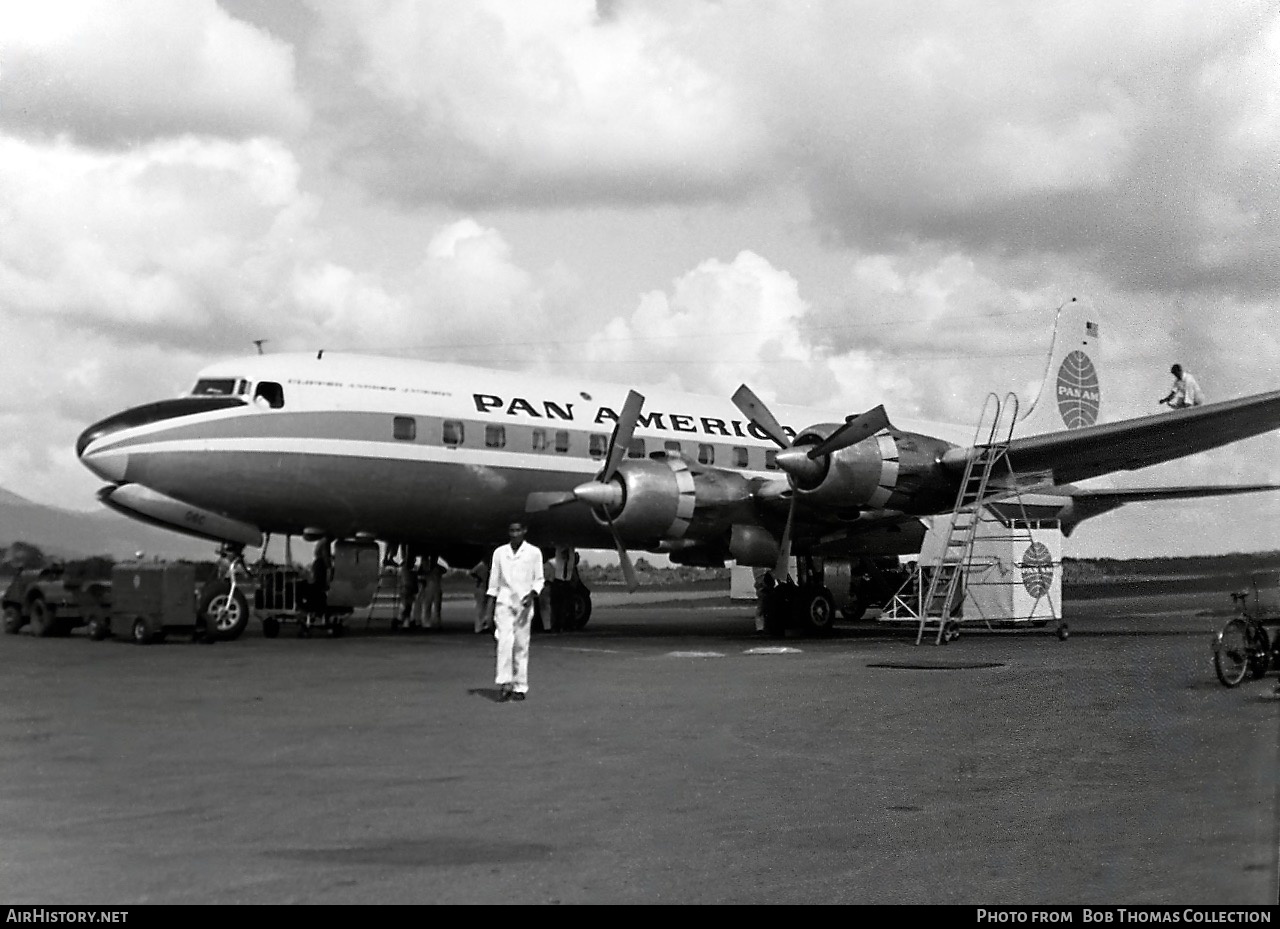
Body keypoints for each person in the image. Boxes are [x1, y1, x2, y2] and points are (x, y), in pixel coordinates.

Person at [485, 519, 544, 702]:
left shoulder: (534, 553)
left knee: (521, 645)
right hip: (504, 602)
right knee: (504, 642)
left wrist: (532, 595)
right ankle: (505, 684)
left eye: (518, 530)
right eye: (511, 530)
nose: (514, 534)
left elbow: (539, 579)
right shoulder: (499, 553)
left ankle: (520, 686)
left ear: (524, 531)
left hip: (524, 604)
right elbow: (493, 583)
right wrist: (488, 610)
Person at [418, 553, 444, 630]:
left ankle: (430, 623)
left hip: (432, 587)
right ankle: (431, 622)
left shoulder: (432, 568)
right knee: (430, 606)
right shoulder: (432, 568)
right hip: (433, 587)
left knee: (432, 606)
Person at [398, 544, 419, 630]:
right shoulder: (407, 569)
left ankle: (405, 621)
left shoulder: (407, 570)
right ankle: (404, 621)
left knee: (407, 606)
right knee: (407, 606)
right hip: (407, 589)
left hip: (406, 589)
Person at [469, 559, 492, 633]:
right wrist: (479, 578)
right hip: (481, 587)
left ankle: (484, 625)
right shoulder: (482, 565)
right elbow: (472, 572)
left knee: (485, 607)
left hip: (486, 587)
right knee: (480, 607)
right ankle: (479, 627)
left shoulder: (489, 566)